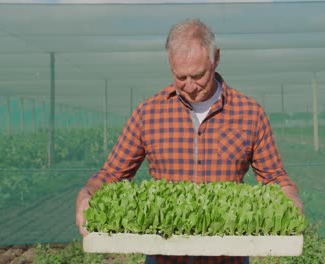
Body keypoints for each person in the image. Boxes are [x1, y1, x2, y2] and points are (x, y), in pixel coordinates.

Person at [76, 18, 303, 264]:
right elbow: (112, 174)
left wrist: (290, 198)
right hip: (164, 258)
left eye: (198, 75)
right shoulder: (148, 113)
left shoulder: (250, 113)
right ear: (169, 64)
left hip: (227, 259)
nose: (190, 86)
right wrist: (87, 194)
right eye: (180, 77)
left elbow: (274, 178)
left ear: (215, 58)